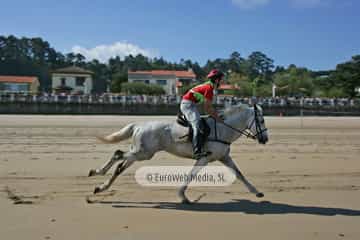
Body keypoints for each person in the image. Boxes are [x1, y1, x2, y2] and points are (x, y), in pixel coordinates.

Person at [180, 69, 224, 159]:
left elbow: (208, 107)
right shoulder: (209, 88)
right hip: (188, 105)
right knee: (198, 126)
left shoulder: (208, 86)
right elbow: (207, 109)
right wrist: (217, 118)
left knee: (205, 125)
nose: (221, 81)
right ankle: (197, 152)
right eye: (221, 79)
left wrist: (214, 114)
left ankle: (202, 146)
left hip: (191, 105)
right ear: (216, 80)